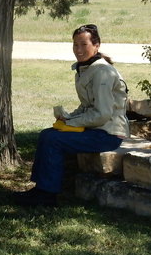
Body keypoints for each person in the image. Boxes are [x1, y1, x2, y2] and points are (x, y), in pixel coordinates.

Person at [14, 24, 129, 207]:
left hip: (108, 135)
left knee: (54, 140)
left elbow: (102, 114)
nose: (79, 49)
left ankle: (47, 196)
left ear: (96, 45)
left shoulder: (102, 72)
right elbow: (87, 106)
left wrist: (72, 123)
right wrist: (67, 119)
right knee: (47, 134)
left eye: (84, 44)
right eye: (75, 45)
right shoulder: (86, 68)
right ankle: (39, 188)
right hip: (96, 130)